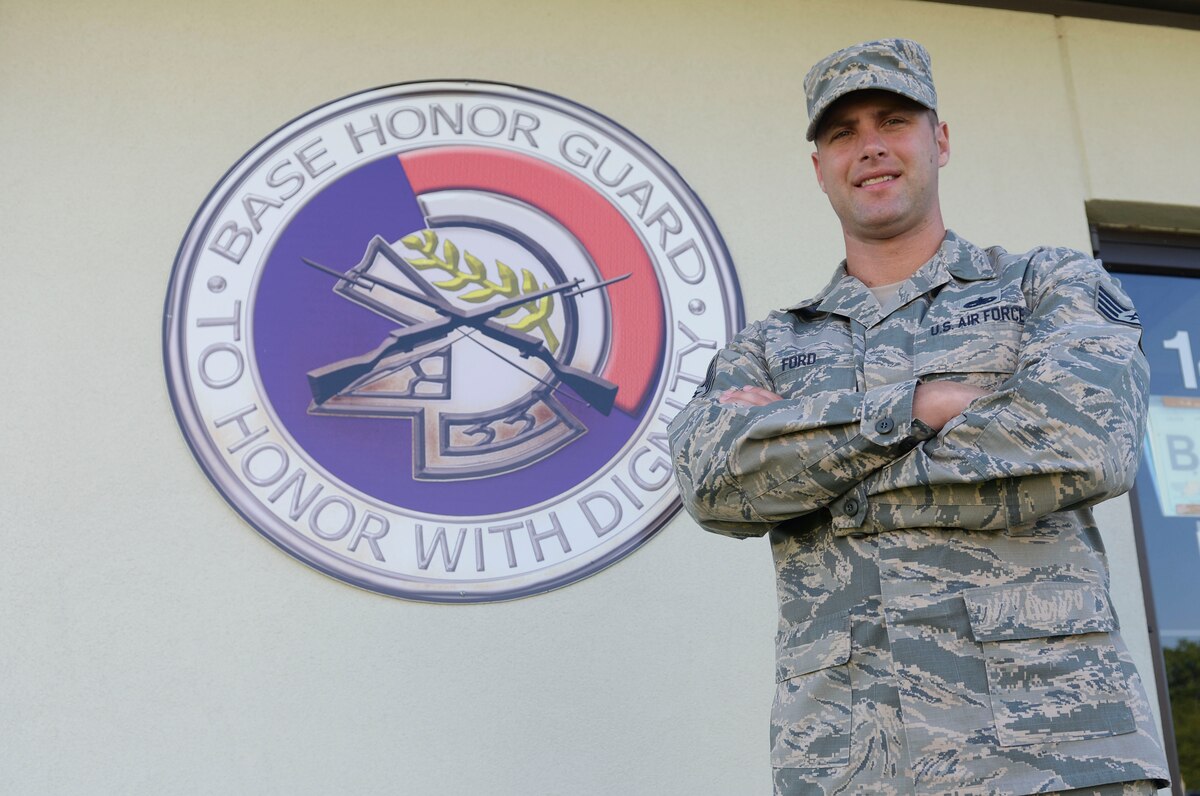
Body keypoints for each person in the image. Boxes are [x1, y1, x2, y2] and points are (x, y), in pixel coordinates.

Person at [668, 38, 1171, 795]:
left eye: (893, 120)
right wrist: (920, 407)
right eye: (842, 132)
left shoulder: (1048, 284)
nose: (869, 147)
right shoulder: (770, 345)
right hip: (849, 759)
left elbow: (1085, 439)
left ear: (939, 139)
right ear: (819, 169)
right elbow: (711, 482)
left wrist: (829, 478)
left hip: (1050, 751)